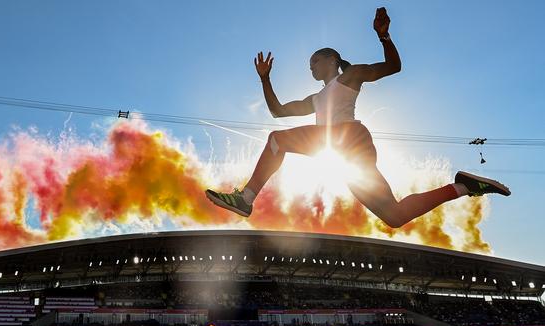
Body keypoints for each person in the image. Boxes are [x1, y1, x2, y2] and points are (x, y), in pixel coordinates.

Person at [205, 7, 510, 227]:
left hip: (347, 137)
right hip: (347, 156)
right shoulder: (315, 99)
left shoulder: (350, 76)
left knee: (278, 140)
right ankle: (463, 187)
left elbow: (393, 67)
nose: (310, 68)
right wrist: (265, 79)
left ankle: (246, 198)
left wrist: (384, 36)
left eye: (315, 61)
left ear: (332, 60)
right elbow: (278, 111)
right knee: (394, 216)